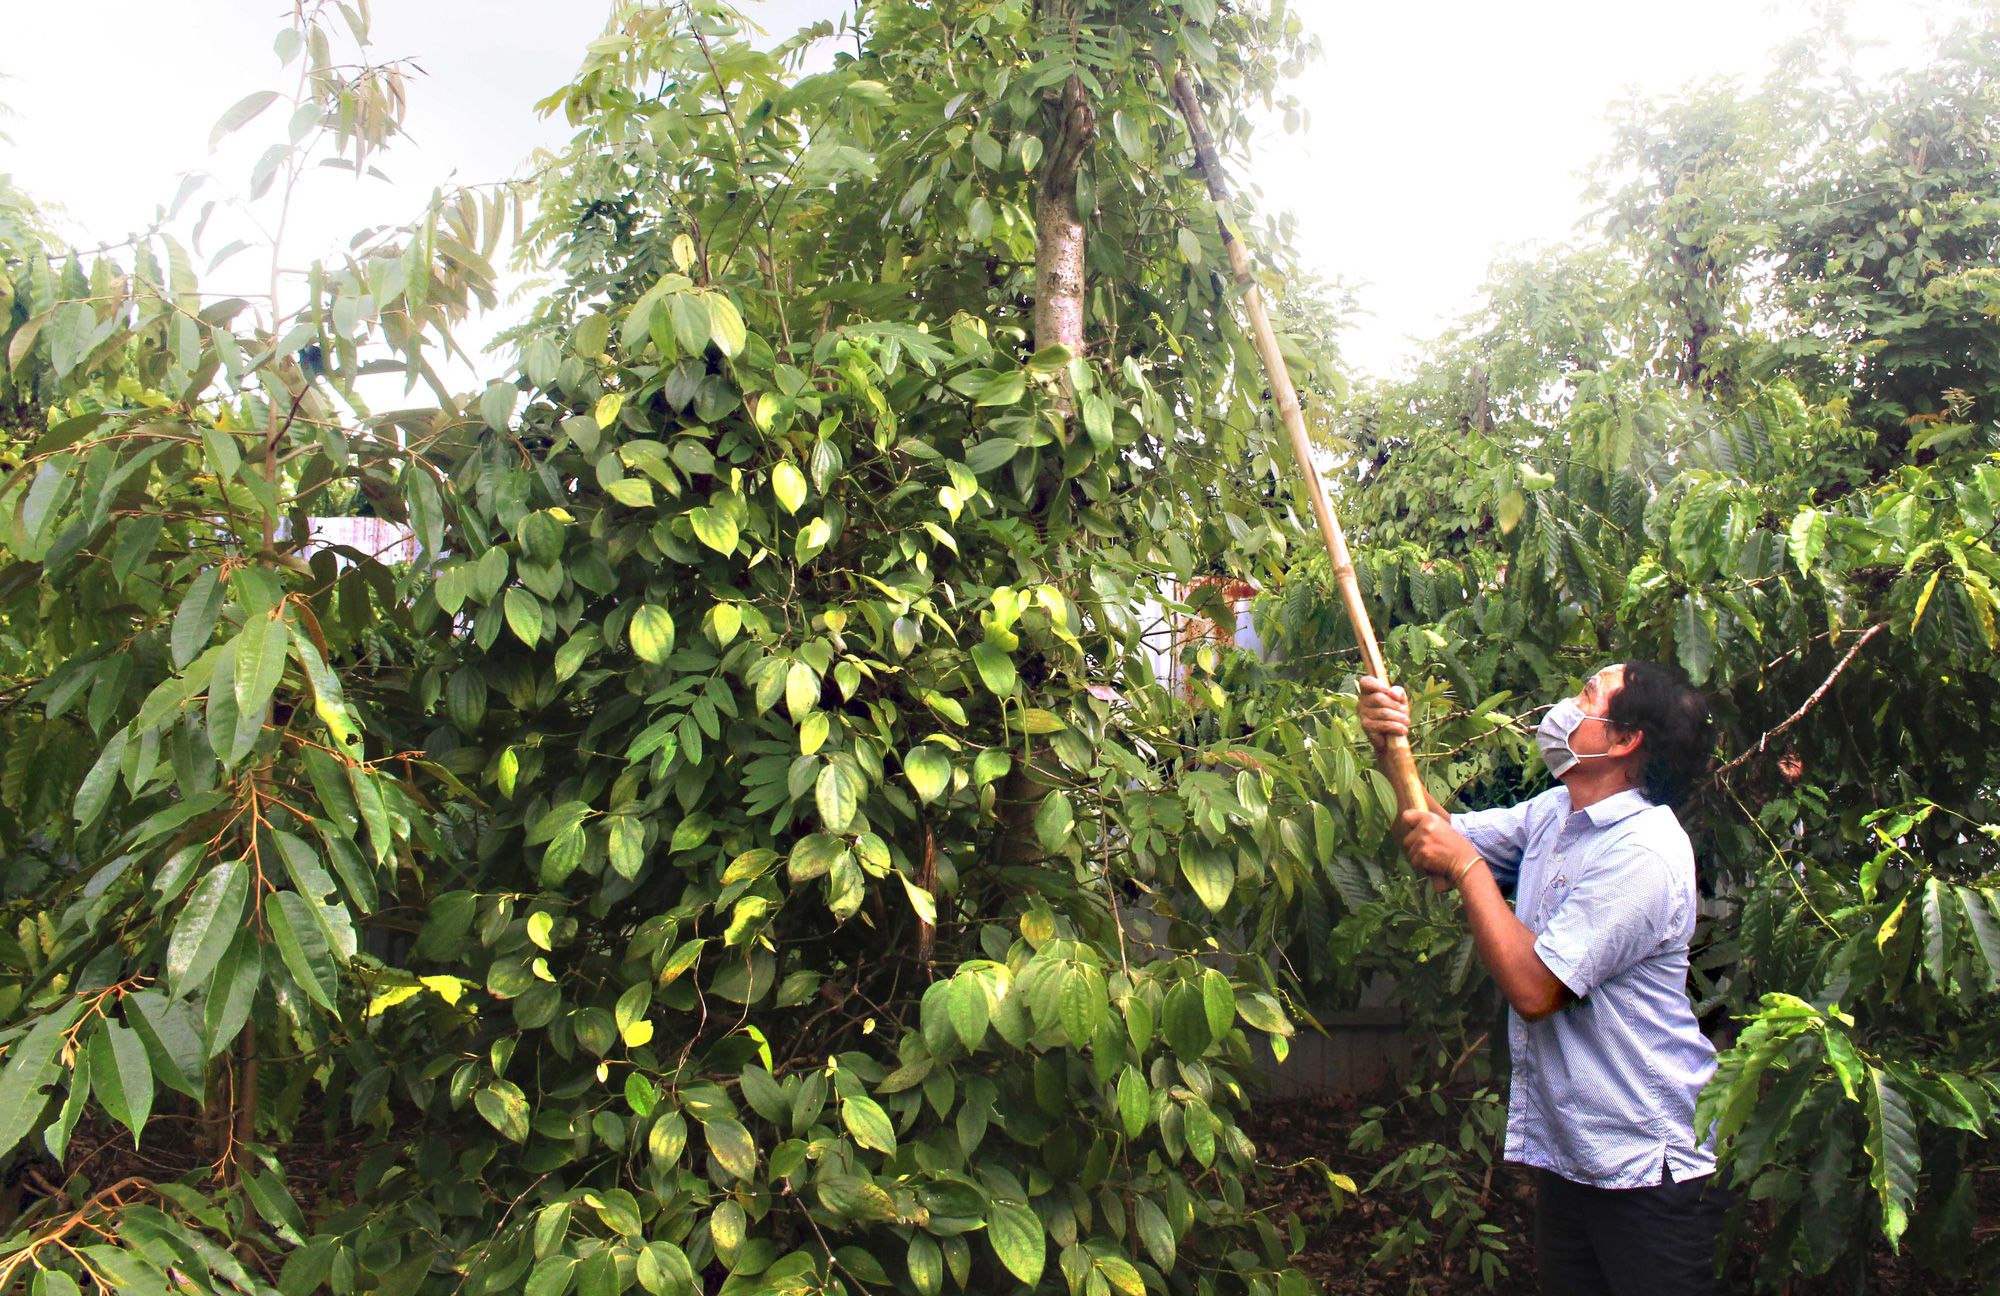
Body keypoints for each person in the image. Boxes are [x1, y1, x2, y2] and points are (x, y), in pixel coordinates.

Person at [1357, 662, 1727, 1296]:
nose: (1566, 705)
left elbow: (1536, 989)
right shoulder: (1559, 812)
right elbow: (1434, 845)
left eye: (1586, 696)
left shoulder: (1645, 851)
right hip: (1576, 1154)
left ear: (1624, 741)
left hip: (1649, 1166)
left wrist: (1470, 867)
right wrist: (1392, 751)